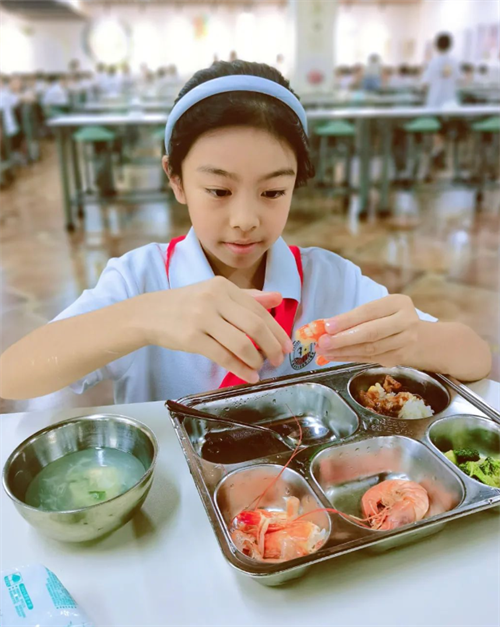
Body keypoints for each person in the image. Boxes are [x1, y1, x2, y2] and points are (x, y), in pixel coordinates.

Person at [0, 60, 491, 404]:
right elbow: (12, 376)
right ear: (176, 179)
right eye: (218, 190)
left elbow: (476, 356)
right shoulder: (140, 278)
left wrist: (412, 342)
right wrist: (143, 317)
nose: (245, 219)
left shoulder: (331, 282)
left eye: (273, 192)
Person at [421, 33, 460, 108]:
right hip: (450, 101)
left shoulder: (432, 62)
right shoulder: (455, 62)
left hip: (435, 100)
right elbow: (459, 80)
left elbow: (424, 84)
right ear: (450, 46)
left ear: (436, 46)